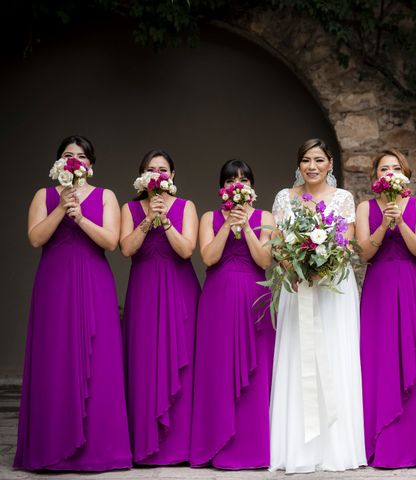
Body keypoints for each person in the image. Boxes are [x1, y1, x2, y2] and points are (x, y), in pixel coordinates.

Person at [15, 135, 131, 471]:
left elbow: (110, 241)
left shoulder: (106, 196)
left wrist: (79, 216)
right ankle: (51, 449)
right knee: (54, 356)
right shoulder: (44, 195)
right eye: (68, 156)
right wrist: (61, 207)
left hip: (94, 282)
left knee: (99, 361)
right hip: (54, 283)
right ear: (58, 164)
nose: (75, 161)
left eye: (81, 157)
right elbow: (35, 237)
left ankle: (99, 451)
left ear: (91, 165)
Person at [269, 139, 366, 473]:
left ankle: (337, 448)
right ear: (299, 164)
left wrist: (322, 270)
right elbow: (279, 246)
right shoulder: (285, 198)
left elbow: (346, 245)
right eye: (306, 160)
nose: (312, 166)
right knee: (299, 358)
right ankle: (299, 448)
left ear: (330, 165)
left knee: (335, 355)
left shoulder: (343, 199)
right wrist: (294, 270)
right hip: (299, 287)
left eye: (319, 160)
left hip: (333, 288)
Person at [189, 159, 276, 469]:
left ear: (252, 186)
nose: (237, 184)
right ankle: (216, 443)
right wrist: (228, 224)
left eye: (243, 179)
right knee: (219, 368)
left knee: (257, 369)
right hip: (218, 301)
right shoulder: (208, 217)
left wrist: (247, 228)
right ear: (221, 188)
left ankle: (253, 449)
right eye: (230, 180)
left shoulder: (265, 217)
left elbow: (265, 260)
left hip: (255, 297)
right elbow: (208, 258)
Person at [356, 149, 416, 467]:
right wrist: (383, 225)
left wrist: (400, 221)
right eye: (383, 168)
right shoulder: (366, 208)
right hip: (379, 288)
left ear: (406, 174)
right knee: (380, 360)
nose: (389, 172)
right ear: (375, 176)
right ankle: (381, 443)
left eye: (395, 167)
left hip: (412, 284)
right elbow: (364, 252)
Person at [120, 149, 200, 465]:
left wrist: (164, 220)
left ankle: (179, 447)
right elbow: (126, 248)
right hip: (144, 290)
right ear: (142, 176)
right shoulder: (130, 208)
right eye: (151, 169)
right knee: (144, 361)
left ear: (172, 175)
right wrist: (147, 220)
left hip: (180, 290)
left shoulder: (186, 207)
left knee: (182, 362)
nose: (157, 174)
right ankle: (145, 445)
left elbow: (187, 250)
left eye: (163, 169)